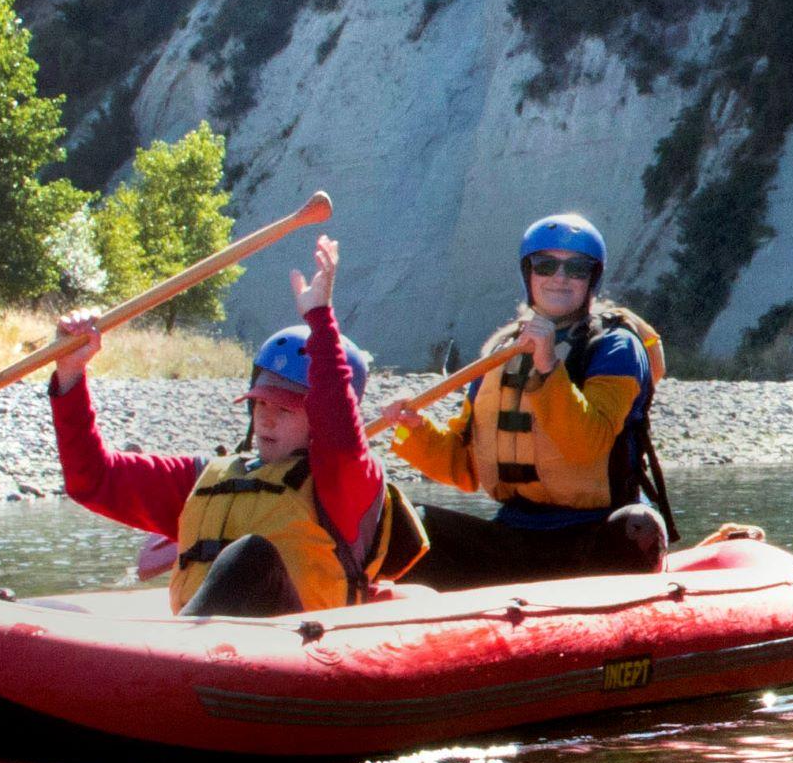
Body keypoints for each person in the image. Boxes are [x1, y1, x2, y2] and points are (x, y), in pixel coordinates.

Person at [48, 233, 428, 615]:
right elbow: (92, 480)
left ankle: (182, 651)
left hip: (293, 648)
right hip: (198, 647)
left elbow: (339, 424)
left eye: (286, 409)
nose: (265, 416)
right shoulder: (203, 478)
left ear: (319, 421)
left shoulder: (344, 484)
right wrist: (71, 375)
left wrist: (319, 317)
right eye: (260, 402)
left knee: (251, 556)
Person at [387, 210, 673, 583]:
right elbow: (464, 466)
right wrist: (415, 429)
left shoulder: (616, 347)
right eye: (545, 265)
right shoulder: (503, 353)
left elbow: (587, 443)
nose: (559, 277)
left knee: (635, 524)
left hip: (596, 535)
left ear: (592, 279)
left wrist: (548, 366)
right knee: (406, 522)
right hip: (518, 534)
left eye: (576, 269)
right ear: (529, 273)